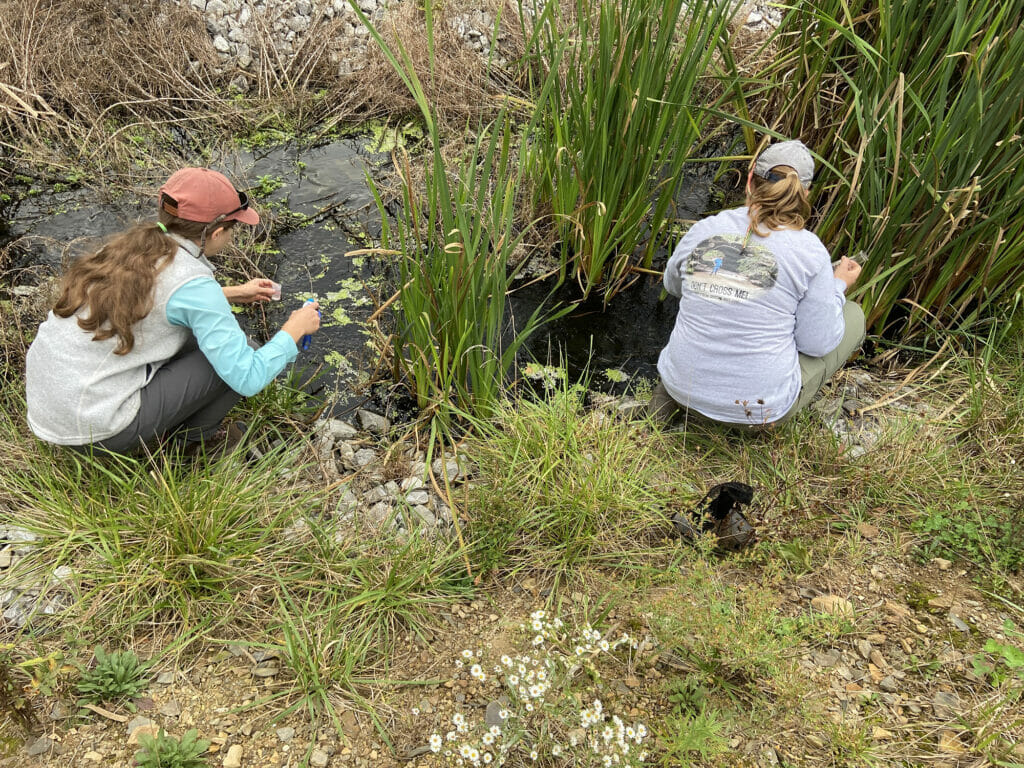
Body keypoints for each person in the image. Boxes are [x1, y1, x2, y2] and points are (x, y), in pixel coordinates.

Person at [25, 167, 322, 454]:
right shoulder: (193, 281)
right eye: (233, 230)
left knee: (200, 339)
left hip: (50, 409)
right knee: (243, 352)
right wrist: (293, 330)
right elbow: (247, 377)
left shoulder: (128, 249)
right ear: (216, 232)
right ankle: (193, 444)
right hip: (97, 430)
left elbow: (155, 298)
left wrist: (234, 293)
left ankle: (171, 422)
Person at [650, 139, 865, 428]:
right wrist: (837, 286)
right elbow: (817, 343)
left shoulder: (706, 227)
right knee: (853, 317)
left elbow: (673, 285)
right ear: (806, 193)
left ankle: (669, 407)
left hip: (679, 390)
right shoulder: (810, 251)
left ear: (750, 180)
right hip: (755, 416)